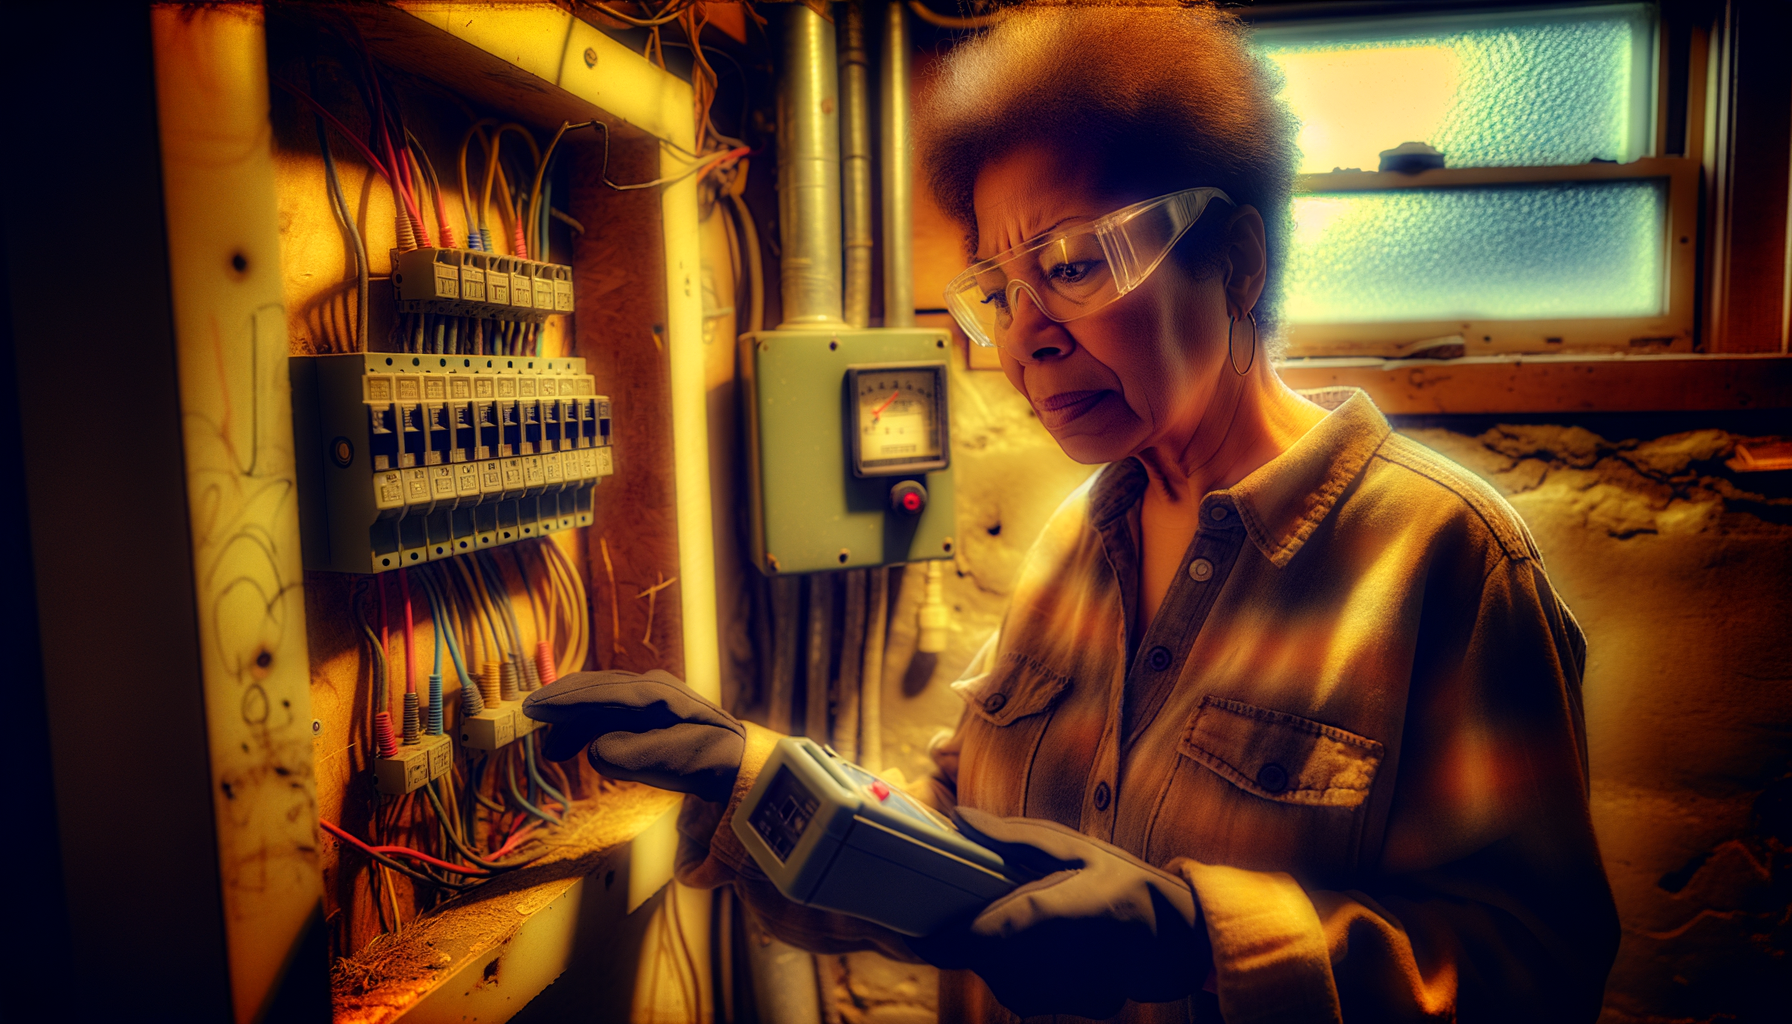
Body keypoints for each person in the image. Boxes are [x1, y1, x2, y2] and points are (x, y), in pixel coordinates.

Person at [525, 2, 1620, 1020]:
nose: (1025, 337)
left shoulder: (1442, 560)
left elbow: (1539, 964)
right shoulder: (1072, 545)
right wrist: (765, 781)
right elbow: (955, 852)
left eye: (1076, 263)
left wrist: (1201, 937)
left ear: (1235, 261)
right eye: (999, 292)